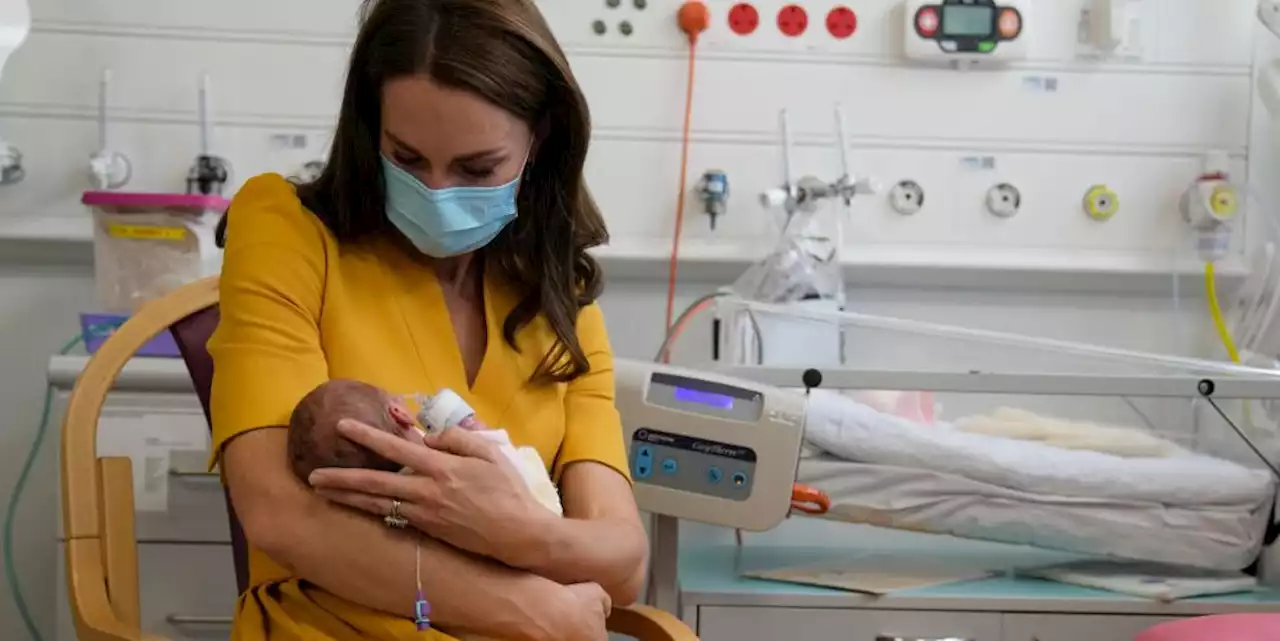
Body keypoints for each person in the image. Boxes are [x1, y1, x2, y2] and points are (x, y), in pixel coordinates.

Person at [206, 0, 648, 639]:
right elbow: (279, 514)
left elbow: (623, 561)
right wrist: (533, 607)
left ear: (540, 140)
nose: (437, 194)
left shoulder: (559, 300)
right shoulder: (285, 231)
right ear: (372, 130)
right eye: (407, 159)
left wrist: (513, 531)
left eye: (477, 169)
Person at [286, 379, 564, 516]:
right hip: (534, 512)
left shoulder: (383, 508)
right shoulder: (456, 456)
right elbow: (507, 467)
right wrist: (475, 429)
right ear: (399, 414)